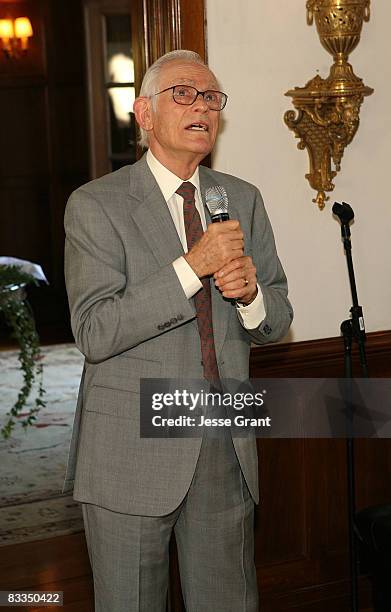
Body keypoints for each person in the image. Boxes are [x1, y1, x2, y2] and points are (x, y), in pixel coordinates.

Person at [63, 49, 293, 612]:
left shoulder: (241, 198)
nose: (203, 107)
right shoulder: (97, 205)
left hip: (224, 444)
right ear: (144, 114)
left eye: (212, 97)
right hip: (130, 451)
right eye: (184, 94)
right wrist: (193, 267)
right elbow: (95, 330)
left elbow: (278, 318)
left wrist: (250, 298)